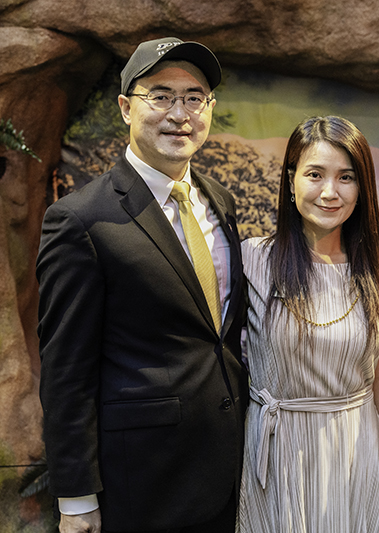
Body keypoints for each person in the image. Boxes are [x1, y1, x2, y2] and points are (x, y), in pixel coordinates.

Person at [37, 37, 248, 533]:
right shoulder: (80, 220)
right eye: (161, 96)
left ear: (210, 109)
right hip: (141, 484)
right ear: (126, 108)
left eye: (194, 97)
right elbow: (66, 371)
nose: (180, 113)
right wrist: (75, 497)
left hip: (232, 472)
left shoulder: (221, 202)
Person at [237, 116, 379, 532]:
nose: (330, 192)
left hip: (355, 452)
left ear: (362, 188)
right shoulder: (252, 261)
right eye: (315, 174)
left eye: (346, 177)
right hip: (275, 453)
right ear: (291, 181)